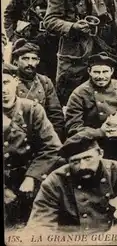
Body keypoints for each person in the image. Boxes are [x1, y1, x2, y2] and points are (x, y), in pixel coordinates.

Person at [27, 130, 117, 233]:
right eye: (75, 161)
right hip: (75, 238)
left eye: (88, 158)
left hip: (115, 233)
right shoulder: (55, 182)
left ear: (100, 154)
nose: (83, 166)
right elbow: (40, 223)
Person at [44, 0, 116, 106]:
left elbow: (114, 19)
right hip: (73, 54)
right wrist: (72, 26)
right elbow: (49, 21)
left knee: (101, 95)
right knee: (69, 96)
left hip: (100, 50)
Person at [3, 63, 63, 227]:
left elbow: (52, 147)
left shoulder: (32, 109)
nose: (3, 90)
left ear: (16, 81)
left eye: (6, 82)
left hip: (28, 173)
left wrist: (31, 177)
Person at [3, 0, 60, 82]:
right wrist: (13, 36)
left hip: (51, 43)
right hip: (27, 41)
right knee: (23, 77)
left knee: (49, 78)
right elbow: (9, 14)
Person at [11, 38, 65, 141]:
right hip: (15, 135)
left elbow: (55, 115)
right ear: (16, 61)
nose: (30, 63)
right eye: (25, 59)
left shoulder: (45, 82)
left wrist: (55, 140)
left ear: (38, 61)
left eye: (34, 59)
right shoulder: (9, 81)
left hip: (40, 135)